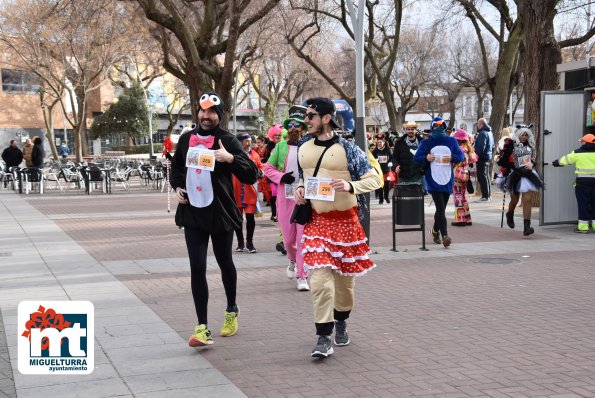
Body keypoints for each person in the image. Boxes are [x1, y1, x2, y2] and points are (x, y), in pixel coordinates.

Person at [170, 91, 259, 347]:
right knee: (197, 267)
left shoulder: (228, 140)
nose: (205, 116)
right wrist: (177, 188)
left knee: (224, 262)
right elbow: (176, 170)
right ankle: (202, 327)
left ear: (219, 115)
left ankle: (231, 309)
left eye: (211, 112)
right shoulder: (186, 139)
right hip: (193, 212)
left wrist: (230, 158)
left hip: (219, 213)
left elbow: (251, 174)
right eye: (202, 111)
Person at [294, 97, 382, 358]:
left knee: (345, 286)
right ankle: (323, 337)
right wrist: (300, 189)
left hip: (346, 223)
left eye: (311, 116)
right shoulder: (303, 147)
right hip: (317, 223)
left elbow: (375, 179)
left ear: (326, 118)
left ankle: (341, 320)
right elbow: (304, 178)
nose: (306, 120)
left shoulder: (350, 149)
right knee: (320, 280)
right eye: (306, 115)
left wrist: (351, 186)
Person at [264, 105, 310, 291]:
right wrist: (281, 177)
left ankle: (302, 275)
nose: (293, 128)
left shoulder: (309, 146)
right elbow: (268, 169)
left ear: (303, 129)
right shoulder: (280, 147)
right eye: (290, 125)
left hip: (305, 199)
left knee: (302, 239)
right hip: (285, 198)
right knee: (289, 240)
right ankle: (291, 260)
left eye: (297, 125)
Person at [413, 117, 464, 247]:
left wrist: (452, 157)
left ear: (444, 127)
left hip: (447, 179)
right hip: (433, 179)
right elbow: (417, 158)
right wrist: (426, 157)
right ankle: (445, 235)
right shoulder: (426, 143)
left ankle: (435, 231)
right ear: (432, 127)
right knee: (440, 208)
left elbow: (461, 156)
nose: (438, 128)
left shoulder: (451, 141)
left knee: (441, 209)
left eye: (441, 126)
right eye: (436, 126)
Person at [497, 125, 544, 236]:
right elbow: (502, 161)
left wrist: (531, 165)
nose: (524, 137)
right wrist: (512, 166)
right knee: (515, 199)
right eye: (522, 135)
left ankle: (526, 227)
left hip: (528, 174)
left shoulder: (531, 147)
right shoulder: (511, 145)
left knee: (527, 200)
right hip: (515, 174)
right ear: (518, 135)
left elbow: (533, 160)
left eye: (526, 135)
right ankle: (510, 213)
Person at [552, 133, 595, 233]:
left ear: (585, 142)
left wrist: (556, 163)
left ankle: (583, 228)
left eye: (583, 141)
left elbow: (565, 160)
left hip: (582, 184)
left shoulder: (577, 153)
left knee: (583, 204)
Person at [232, 133, 264, 253]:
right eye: (246, 141)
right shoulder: (233, 155)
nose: (249, 143)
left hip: (250, 191)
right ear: (240, 142)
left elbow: (261, 167)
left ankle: (250, 243)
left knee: (250, 218)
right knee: (238, 218)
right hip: (236, 191)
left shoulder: (255, 155)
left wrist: (260, 172)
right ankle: (240, 242)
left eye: (250, 141)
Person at [451, 129, 478, 226]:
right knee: (463, 196)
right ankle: (467, 218)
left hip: (457, 175)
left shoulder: (458, 150)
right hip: (466, 175)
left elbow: (453, 161)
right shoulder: (468, 149)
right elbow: (474, 159)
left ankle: (460, 219)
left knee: (457, 196)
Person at [474, 118, 494, 201]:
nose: (477, 126)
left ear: (481, 124)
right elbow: (492, 146)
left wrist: (476, 155)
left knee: (482, 176)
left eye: (478, 124)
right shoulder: (489, 132)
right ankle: (488, 195)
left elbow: (481, 146)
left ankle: (485, 196)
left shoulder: (483, 133)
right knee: (486, 176)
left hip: (482, 157)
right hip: (487, 156)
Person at [372, 133, 392, 204]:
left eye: (381, 142)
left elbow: (391, 158)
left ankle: (386, 197)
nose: (379, 143)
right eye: (378, 142)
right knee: (380, 185)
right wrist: (375, 161)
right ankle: (381, 199)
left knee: (387, 185)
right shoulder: (375, 151)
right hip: (379, 170)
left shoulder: (388, 149)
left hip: (387, 170)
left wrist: (390, 162)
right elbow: (372, 159)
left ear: (383, 142)